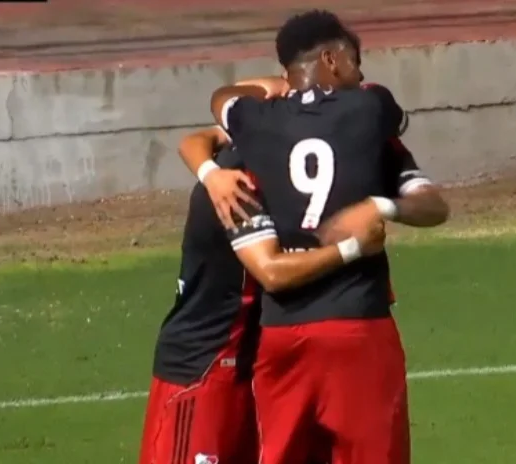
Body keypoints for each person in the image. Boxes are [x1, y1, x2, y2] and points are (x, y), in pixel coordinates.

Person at [182, 10, 450, 464]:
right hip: (358, 326)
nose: (360, 73)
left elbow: (222, 97)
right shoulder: (371, 108)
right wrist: (377, 209)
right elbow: (432, 204)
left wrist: (280, 85)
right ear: (331, 59)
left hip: (282, 334)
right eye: (355, 61)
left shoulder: (255, 122)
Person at [138, 127, 386, 464]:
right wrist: (354, 247)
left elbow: (199, 138)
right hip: (204, 368)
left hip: (249, 368)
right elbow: (271, 271)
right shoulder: (241, 179)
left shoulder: (268, 143)